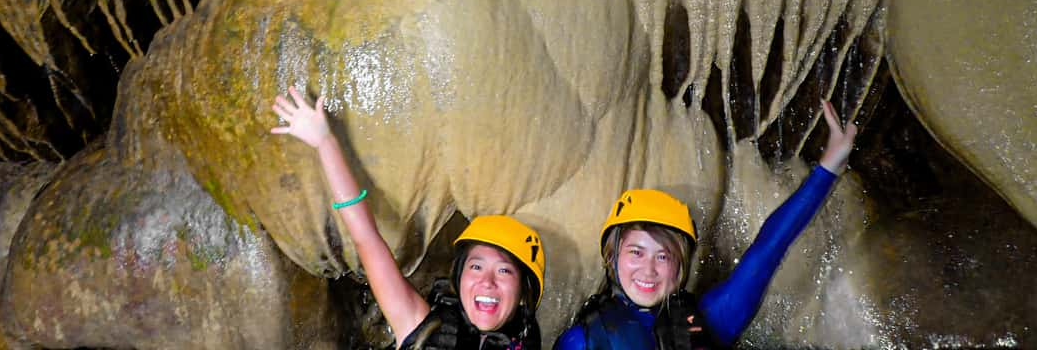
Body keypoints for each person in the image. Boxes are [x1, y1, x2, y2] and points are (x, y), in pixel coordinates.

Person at [554, 100, 857, 350]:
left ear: (679, 269)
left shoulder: (713, 320)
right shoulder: (581, 341)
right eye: (636, 252)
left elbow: (769, 249)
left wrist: (827, 169)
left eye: (663, 256)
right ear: (612, 257)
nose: (648, 270)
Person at [272, 86, 546, 349]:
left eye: (504, 270)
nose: (487, 281)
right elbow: (365, 237)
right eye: (475, 267)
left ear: (523, 293)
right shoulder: (419, 327)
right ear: (459, 280)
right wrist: (324, 142)